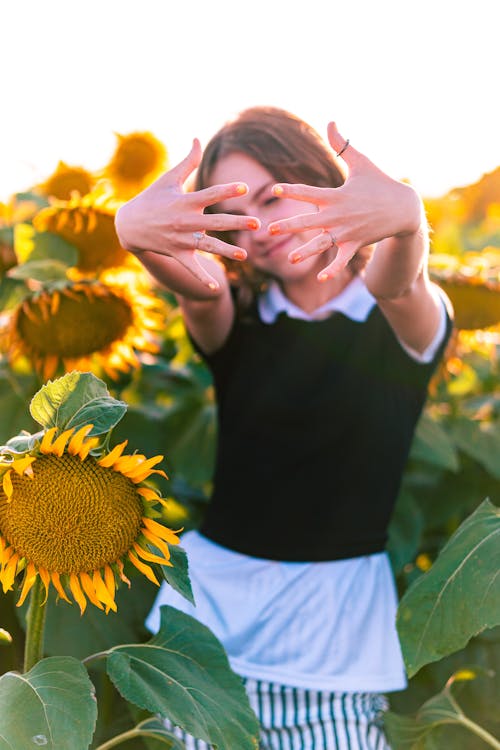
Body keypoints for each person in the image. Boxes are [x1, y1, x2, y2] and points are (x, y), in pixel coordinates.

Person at [115, 106, 453, 750]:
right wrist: (132, 231)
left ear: (322, 180)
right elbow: (197, 289)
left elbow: (398, 282)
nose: (262, 227)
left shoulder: (397, 323)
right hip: (209, 631)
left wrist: (407, 222)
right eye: (235, 213)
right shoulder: (236, 314)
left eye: (275, 197)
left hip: (334, 640)